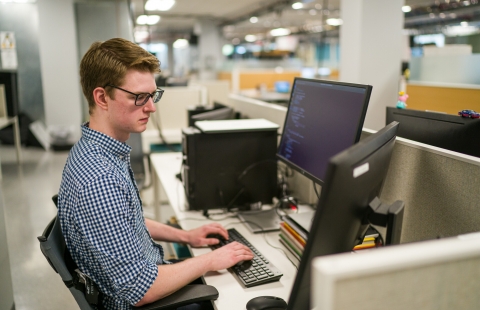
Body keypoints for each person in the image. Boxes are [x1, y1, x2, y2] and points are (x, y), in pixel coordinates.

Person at [57, 38, 254, 310]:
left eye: (152, 95)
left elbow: (125, 222)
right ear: (102, 97)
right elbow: (140, 288)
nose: (151, 107)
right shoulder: (99, 178)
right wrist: (209, 260)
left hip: (149, 279)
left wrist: (186, 236)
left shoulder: (99, 152)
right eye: (139, 97)